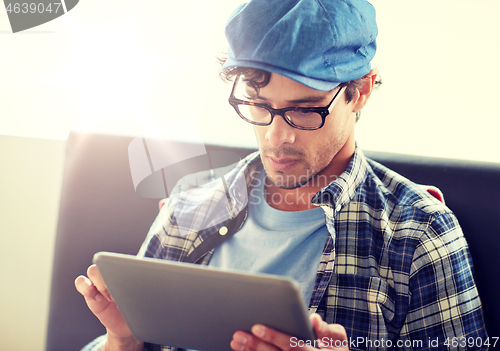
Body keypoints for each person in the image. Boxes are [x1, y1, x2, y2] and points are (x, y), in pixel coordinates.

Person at [75, 0, 488, 350]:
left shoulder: (419, 234)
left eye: (305, 108)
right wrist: (122, 342)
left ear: (360, 91)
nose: (277, 137)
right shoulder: (188, 206)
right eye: (259, 104)